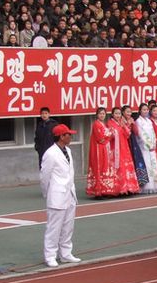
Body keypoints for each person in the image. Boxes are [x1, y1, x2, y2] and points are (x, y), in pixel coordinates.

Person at [40, 123, 81, 268]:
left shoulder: (68, 151)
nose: (71, 136)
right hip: (57, 194)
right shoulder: (50, 154)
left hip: (70, 193)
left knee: (68, 226)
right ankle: (50, 255)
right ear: (61, 136)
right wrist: (47, 193)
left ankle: (65, 253)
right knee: (54, 227)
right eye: (68, 134)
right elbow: (45, 176)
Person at [104, 107, 140, 196]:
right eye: (116, 113)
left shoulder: (121, 123)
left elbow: (128, 134)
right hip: (115, 149)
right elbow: (110, 135)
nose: (118, 115)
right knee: (119, 168)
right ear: (112, 114)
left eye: (119, 114)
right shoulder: (109, 123)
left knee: (126, 167)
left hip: (124, 147)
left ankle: (129, 187)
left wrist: (125, 125)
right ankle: (119, 189)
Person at [135, 103, 157, 193]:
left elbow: (153, 133)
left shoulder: (149, 121)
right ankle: (146, 185)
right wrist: (148, 145)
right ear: (140, 111)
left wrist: (154, 143)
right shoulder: (139, 121)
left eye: (146, 110)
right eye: (144, 110)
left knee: (153, 165)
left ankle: (154, 184)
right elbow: (141, 134)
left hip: (152, 148)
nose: (145, 111)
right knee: (147, 165)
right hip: (144, 147)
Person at [86, 107, 112, 198]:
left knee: (102, 168)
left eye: (103, 114)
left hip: (103, 149)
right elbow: (100, 139)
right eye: (100, 113)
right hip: (97, 149)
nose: (102, 115)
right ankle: (97, 191)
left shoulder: (102, 124)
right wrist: (109, 134)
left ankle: (102, 189)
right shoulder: (96, 124)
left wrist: (108, 135)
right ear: (97, 115)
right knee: (98, 168)